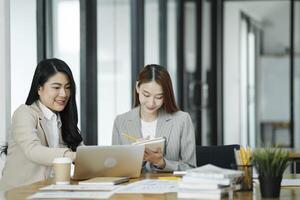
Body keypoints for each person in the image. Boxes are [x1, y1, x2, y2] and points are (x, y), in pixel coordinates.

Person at [0, 58, 83, 190]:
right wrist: (71, 155)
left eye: (68, 88)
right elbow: (33, 150)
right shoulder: (24, 113)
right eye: (56, 87)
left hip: (50, 193)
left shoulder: (63, 119)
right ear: (39, 88)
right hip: (19, 194)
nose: (63, 94)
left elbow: (83, 153)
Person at [112, 64, 196, 172]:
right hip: (132, 188)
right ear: (137, 87)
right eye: (146, 95)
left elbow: (191, 168)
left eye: (159, 97)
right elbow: (116, 168)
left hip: (169, 187)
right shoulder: (121, 122)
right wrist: (138, 159)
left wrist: (163, 163)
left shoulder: (182, 120)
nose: (151, 103)